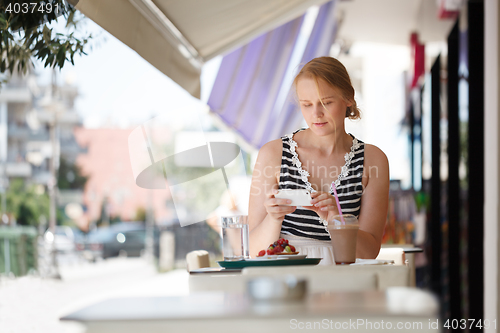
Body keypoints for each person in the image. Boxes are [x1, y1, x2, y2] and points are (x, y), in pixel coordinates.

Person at [248, 56, 389, 264]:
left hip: (344, 285)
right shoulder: (273, 154)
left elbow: (369, 252)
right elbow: (254, 250)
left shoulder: (373, 160)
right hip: (288, 281)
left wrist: (335, 220)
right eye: (306, 105)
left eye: (326, 102)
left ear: (348, 98)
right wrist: (274, 218)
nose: (316, 114)